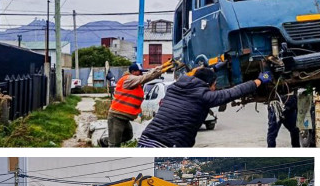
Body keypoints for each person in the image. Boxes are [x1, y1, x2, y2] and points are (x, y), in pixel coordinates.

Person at [138, 67, 273, 148]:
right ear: (209, 84)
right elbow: (233, 92)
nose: (214, 88)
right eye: (215, 85)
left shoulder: (174, 87)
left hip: (145, 140)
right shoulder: (204, 96)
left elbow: (194, 74)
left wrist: (213, 69)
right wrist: (259, 80)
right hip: (167, 145)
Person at [107, 62, 166, 147]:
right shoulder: (129, 79)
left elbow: (148, 74)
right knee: (114, 145)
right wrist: (161, 71)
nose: (141, 73)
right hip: (117, 116)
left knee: (128, 135)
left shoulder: (134, 82)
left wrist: (163, 67)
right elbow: (146, 77)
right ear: (133, 72)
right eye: (139, 71)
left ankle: (104, 142)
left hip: (123, 116)